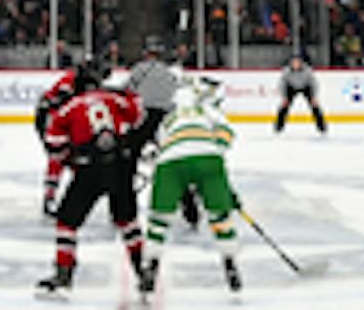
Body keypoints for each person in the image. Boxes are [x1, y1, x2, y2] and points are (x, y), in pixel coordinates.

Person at [36, 72, 147, 298]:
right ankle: (142, 272)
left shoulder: (68, 107)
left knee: (66, 223)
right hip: (120, 164)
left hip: (89, 167)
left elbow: (54, 145)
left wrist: (71, 157)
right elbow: (138, 114)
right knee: (128, 222)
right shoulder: (113, 98)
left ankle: (63, 275)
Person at [138, 75, 242, 297]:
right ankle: (230, 266)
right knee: (220, 217)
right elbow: (226, 134)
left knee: (159, 220)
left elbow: (158, 150)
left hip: (170, 163)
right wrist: (218, 179)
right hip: (208, 157)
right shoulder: (207, 111)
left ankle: (150, 270)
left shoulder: (168, 119)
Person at [35, 59, 97, 215]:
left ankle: (71, 198)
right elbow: (58, 109)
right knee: (58, 159)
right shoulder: (68, 82)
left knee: (78, 162)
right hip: (52, 122)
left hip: (65, 123)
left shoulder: (85, 82)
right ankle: (49, 198)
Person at [275, 53, 327, 134]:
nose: (296, 64)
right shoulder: (287, 71)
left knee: (315, 107)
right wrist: (284, 97)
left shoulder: (307, 70)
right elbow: (282, 84)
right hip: (291, 87)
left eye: (297, 62)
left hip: (306, 86)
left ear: (301, 63)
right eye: (294, 62)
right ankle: (278, 128)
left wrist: (314, 97)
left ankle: (322, 128)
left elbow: (314, 83)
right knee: (283, 107)